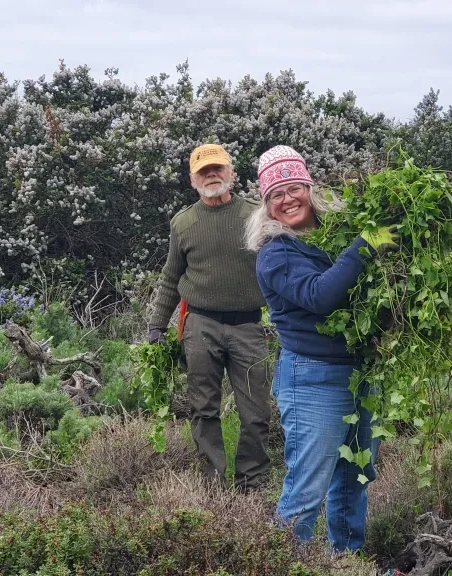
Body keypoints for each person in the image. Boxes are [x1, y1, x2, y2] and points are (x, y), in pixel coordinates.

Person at [246, 145, 397, 551]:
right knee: (306, 492)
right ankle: (281, 562)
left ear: (309, 189)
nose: (287, 199)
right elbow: (319, 296)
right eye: (275, 195)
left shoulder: (334, 236)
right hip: (313, 379)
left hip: (361, 373)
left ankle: (345, 559)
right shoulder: (274, 254)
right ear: (267, 206)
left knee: (354, 479)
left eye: (293, 187)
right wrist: (366, 244)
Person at [148, 143, 271, 491]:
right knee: (203, 409)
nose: (211, 175)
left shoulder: (256, 215)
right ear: (193, 180)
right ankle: (213, 485)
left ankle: (252, 484)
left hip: (248, 326)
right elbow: (171, 277)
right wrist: (157, 324)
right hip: (200, 326)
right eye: (204, 171)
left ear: (231, 173)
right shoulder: (183, 223)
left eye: (218, 169)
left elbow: (280, 267)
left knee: (256, 412)